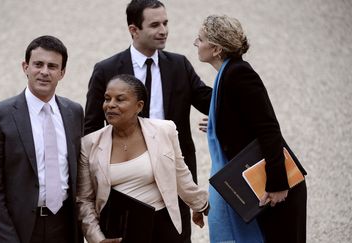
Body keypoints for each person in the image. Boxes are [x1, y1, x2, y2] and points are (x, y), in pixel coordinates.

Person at [84, 1, 212, 241]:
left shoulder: (179, 64)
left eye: (165, 23)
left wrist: (230, 70)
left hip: (173, 178)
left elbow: (209, 101)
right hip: (124, 187)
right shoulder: (106, 69)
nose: (163, 30)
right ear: (134, 30)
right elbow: (91, 129)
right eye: (154, 25)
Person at [194, 15, 307, 243]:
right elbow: (234, 113)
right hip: (257, 185)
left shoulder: (239, 74)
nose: (195, 43)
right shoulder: (228, 75)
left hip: (273, 189)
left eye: (200, 38)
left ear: (216, 49)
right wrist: (221, 125)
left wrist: (277, 183)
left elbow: (268, 129)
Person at [77, 74, 209, 243]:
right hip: (119, 232)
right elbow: (84, 200)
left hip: (164, 226)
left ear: (139, 106)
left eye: (120, 99)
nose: (110, 105)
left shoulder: (164, 130)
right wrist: (97, 239)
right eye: (107, 99)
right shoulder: (89, 144)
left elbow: (180, 174)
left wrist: (200, 204)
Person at [0, 35, 83, 243]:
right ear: (25, 67)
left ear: (62, 73)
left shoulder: (74, 112)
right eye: (38, 64)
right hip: (15, 230)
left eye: (52, 66)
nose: (44, 72)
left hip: (63, 227)